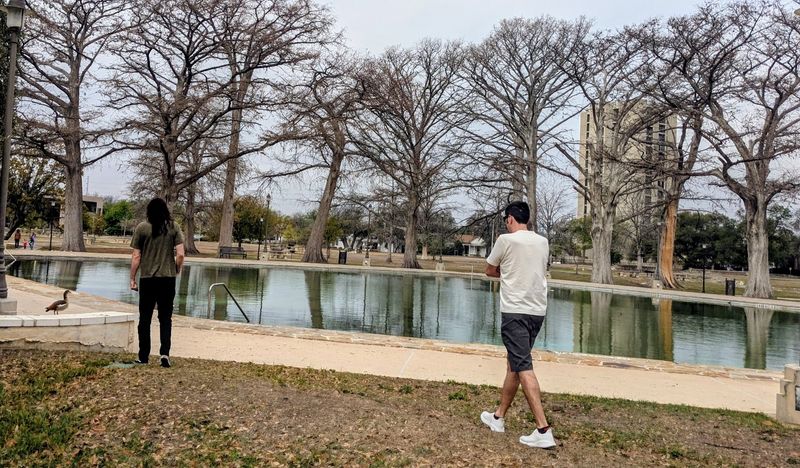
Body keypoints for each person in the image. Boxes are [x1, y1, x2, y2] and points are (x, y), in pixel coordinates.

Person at [480, 201, 555, 449]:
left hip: (514, 312)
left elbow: (490, 270)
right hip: (537, 312)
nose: (506, 224)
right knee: (515, 363)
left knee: (522, 365)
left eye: (506, 220)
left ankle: (543, 429)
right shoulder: (542, 241)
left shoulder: (505, 240)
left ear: (510, 219)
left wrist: (508, 272)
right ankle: (498, 417)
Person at [130, 198, 185, 368]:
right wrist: (176, 268)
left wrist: (132, 278)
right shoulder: (173, 226)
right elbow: (181, 254)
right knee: (165, 318)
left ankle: (143, 356)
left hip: (148, 279)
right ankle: (164, 354)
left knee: (144, 318)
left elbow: (136, 256)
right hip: (167, 279)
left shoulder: (141, 228)